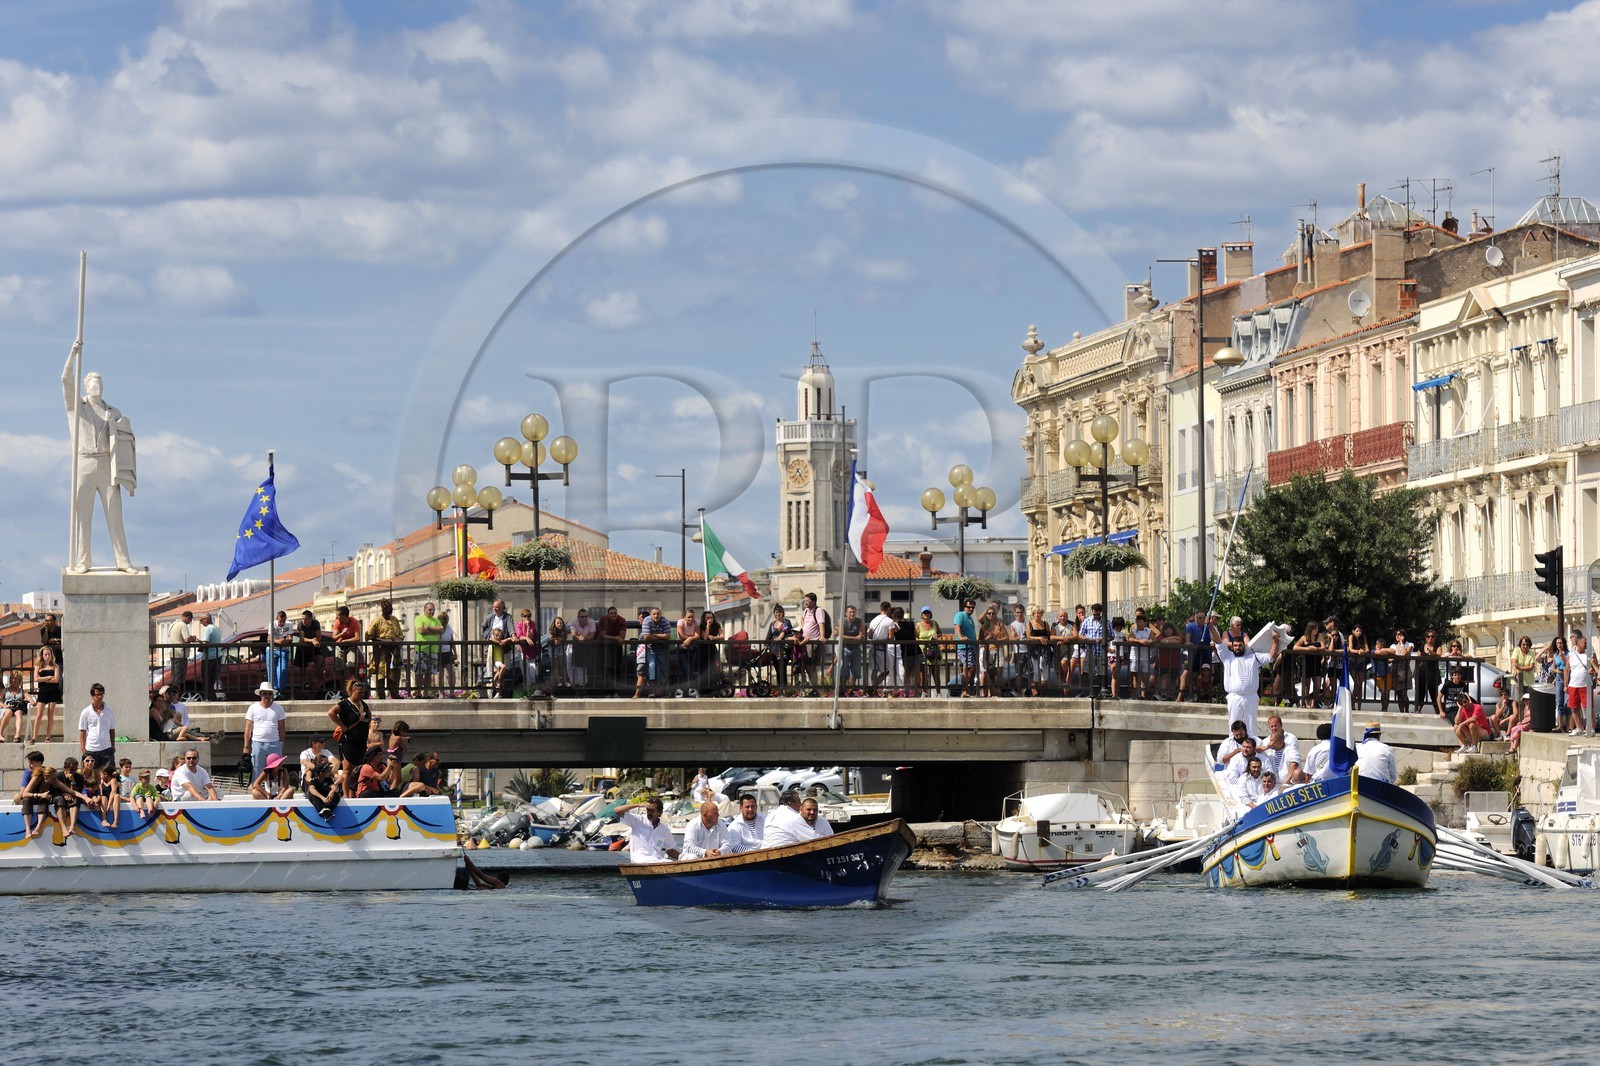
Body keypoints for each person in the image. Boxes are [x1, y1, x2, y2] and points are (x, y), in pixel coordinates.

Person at [62, 340, 137, 573]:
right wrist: (73, 355)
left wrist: (127, 473)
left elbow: (125, 440)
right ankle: (83, 561)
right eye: (94, 384)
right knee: (82, 517)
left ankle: (123, 561)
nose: (98, 387)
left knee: (115, 516)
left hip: (107, 464)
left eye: (100, 384)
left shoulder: (113, 412)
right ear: (86, 387)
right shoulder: (77, 407)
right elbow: (65, 380)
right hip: (84, 462)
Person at [1214, 616, 1278, 736]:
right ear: (1232, 647)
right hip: (1234, 697)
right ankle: (1234, 748)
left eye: (1240, 645)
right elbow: (1218, 641)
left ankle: (1252, 748)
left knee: (1251, 727)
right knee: (1233, 725)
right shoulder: (1227, 657)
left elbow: (1271, 657)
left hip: (1251, 697)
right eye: (1236, 646)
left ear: (1244, 646)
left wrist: (1275, 641)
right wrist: (1211, 627)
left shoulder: (1253, 656)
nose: (1238, 647)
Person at [328, 678, 373, 778]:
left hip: (361, 741)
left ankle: (354, 792)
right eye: (359, 692)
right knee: (347, 770)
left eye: (363, 693)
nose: (361, 695)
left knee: (358, 769)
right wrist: (342, 725)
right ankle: (347, 794)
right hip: (349, 740)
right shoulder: (345, 704)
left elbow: (368, 717)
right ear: (353, 691)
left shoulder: (363, 705)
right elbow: (331, 712)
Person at [615, 797, 680, 862]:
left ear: (659, 813)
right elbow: (617, 810)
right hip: (640, 862)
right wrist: (639, 805)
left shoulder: (664, 829)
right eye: (648, 810)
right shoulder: (638, 820)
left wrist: (684, 858)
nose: (649, 813)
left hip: (658, 860)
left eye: (652, 810)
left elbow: (670, 850)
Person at [243, 681, 286, 778]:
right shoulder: (253, 708)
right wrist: (246, 746)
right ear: (260, 694)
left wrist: (281, 743)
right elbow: (248, 728)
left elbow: (282, 727)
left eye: (270, 694)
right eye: (265, 694)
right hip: (258, 743)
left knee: (276, 771)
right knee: (257, 770)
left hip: (275, 743)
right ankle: (257, 791)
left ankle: (275, 791)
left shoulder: (278, 708)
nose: (267, 696)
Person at [369, 599, 405, 699]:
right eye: (389, 608)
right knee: (381, 674)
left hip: (394, 651)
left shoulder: (394, 620)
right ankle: (381, 695)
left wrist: (398, 640)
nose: (391, 610)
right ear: (384, 609)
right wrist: (382, 640)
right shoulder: (377, 620)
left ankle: (394, 694)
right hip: (381, 651)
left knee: (394, 673)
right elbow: (369, 635)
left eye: (391, 608)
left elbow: (401, 634)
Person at [636, 606, 674, 698]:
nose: (656, 616)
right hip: (650, 649)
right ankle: (652, 689)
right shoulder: (646, 620)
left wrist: (654, 635)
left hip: (662, 649)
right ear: (651, 615)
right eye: (654, 614)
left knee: (662, 668)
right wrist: (661, 636)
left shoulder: (665, 621)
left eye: (658, 614)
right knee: (651, 666)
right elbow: (646, 637)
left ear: (660, 615)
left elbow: (668, 636)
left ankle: (660, 690)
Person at [1179, 610, 1217, 703]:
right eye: (1199, 618)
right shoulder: (1190, 626)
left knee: (1205, 676)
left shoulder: (1208, 627)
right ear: (1195, 618)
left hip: (1205, 656)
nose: (1202, 619)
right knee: (1185, 676)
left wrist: (1213, 643)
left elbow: (1214, 639)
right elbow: (1188, 637)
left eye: (1203, 618)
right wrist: (1188, 641)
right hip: (1194, 655)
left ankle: (1206, 696)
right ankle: (1180, 697)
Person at [77, 682, 117, 769]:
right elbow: (83, 731)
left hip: (106, 748)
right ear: (92, 696)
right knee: (91, 776)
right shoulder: (86, 712)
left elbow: (112, 729)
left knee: (110, 775)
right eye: (98, 694)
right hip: (91, 749)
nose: (100, 697)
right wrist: (83, 748)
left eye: (102, 694)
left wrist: (113, 746)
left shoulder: (109, 710)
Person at [1257, 714, 1301, 784]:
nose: (1274, 728)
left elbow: (1294, 761)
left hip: (1289, 782)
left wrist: (1286, 781)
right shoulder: (1265, 741)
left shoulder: (1291, 740)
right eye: (1272, 726)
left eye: (1276, 725)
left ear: (1281, 725)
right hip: (1273, 782)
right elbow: (1255, 750)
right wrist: (1267, 747)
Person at [30, 645, 61, 744]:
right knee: (39, 715)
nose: (47, 656)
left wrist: (42, 679)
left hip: (53, 690)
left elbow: (56, 680)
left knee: (50, 714)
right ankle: (34, 737)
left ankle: (48, 737)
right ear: (42, 655)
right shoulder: (38, 666)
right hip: (43, 690)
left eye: (48, 654)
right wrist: (48, 677)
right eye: (45, 654)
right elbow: (36, 679)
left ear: (51, 655)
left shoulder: (55, 666)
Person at [1567, 634, 1595, 736]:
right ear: (1578, 644)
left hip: (1586, 684)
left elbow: (1596, 668)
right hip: (1573, 685)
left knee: (1588, 706)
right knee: (1574, 707)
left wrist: (1593, 672)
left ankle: (1591, 728)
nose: (1586, 644)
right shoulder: (1571, 654)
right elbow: (1567, 670)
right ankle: (1579, 727)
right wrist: (1566, 684)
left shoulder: (1590, 654)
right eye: (1584, 643)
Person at [1383, 628, 1414, 714]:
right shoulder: (1393, 646)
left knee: (1404, 693)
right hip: (1395, 670)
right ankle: (1401, 712)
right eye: (1396, 635)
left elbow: (1404, 653)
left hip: (1405, 671)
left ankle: (1407, 711)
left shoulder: (1409, 644)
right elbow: (1390, 658)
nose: (1397, 636)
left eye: (1399, 634)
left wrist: (1401, 644)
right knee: (1398, 693)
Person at [414, 601, 443, 694]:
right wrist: (435, 631)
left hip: (433, 650)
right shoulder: (419, 618)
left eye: (433, 610)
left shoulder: (436, 620)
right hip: (421, 649)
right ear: (424, 609)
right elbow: (421, 630)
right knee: (419, 673)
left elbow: (441, 630)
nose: (432, 612)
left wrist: (429, 628)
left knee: (429, 673)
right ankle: (418, 693)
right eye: (430, 610)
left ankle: (425, 693)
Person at [951, 599, 978, 695]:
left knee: (973, 669)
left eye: (972, 607)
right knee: (968, 668)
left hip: (972, 647)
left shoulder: (970, 618)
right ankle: (965, 690)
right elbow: (957, 626)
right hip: (963, 647)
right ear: (964, 607)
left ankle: (971, 690)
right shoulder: (960, 615)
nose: (970, 609)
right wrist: (961, 637)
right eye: (968, 607)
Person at [839, 604, 863, 691]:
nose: (852, 614)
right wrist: (854, 638)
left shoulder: (859, 621)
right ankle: (842, 689)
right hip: (845, 648)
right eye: (850, 612)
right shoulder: (842, 621)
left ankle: (852, 689)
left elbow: (861, 634)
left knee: (856, 670)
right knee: (844, 669)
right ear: (846, 613)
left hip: (856, 648)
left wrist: (859, 637)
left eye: (853, 612)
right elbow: (841, 635)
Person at [198, 612, 223, 700]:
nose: (200, 622)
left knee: (206, 679)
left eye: (201, 620)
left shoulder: (208, 628)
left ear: (206, 619)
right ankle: (216, 697)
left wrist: (199, 648)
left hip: (209, 657)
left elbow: (206, 643)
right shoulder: (216, 628)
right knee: (214, 678)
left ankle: (208, 698)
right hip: (217, 655)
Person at [269, 610, 295, 693]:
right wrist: (277, 641)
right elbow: (269, 639)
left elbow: (291, 638)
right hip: (272, 650)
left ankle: (280, 690)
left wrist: (285, 641)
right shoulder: (272, 624)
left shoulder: (289, 624)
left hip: (283, 649)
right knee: (272, 670)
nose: (282, 623)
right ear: (277, 619)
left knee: (282, 670)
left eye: (283, 621)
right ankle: (273, 690)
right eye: (280, 621)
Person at [0, 671, 29, 743]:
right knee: (9, 712)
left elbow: (30, 699)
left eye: (16, 678)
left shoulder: (22, 691)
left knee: (19, 713)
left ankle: (17, 735)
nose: (13, 680)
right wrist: (5, 706)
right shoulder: (5, 690)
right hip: (7, 708)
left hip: (17, 708)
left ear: (19, 680)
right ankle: (0, 734)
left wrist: (32, 701)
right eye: (12, 678)